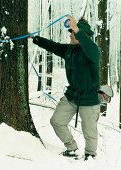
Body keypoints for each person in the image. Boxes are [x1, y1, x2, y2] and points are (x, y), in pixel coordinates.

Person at [31, 15, 100, 161]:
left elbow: (91, 49)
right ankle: (72, 148)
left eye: (73, 32)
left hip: (89, 99)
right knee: (56, 121)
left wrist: (77, 28)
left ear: (83, 36)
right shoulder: (69, 50)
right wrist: (35, 39)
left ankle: (90, 156)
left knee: (89, 131)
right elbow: (54, 46)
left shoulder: (93, 52)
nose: (70, 35)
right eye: (71, 32)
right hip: (72, 96)